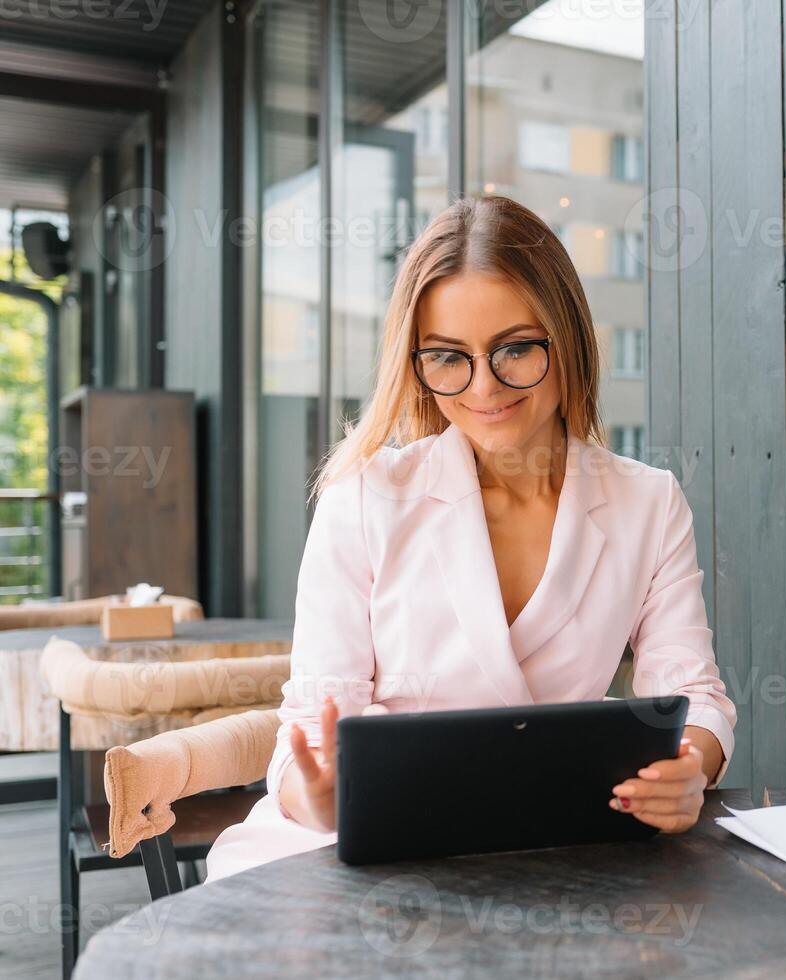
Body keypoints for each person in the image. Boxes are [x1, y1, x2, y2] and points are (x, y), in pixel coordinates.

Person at [206, 196, 735, 879]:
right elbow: (310, 725)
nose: (485, 386)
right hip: (357, 853)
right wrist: (317, 798)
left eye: (516, 349)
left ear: (566, 338)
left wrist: (689, 769)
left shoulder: (647, 502)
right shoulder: (366, 499)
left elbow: (695, 691)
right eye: (450, 357)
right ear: (417, 361)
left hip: (554, 848)